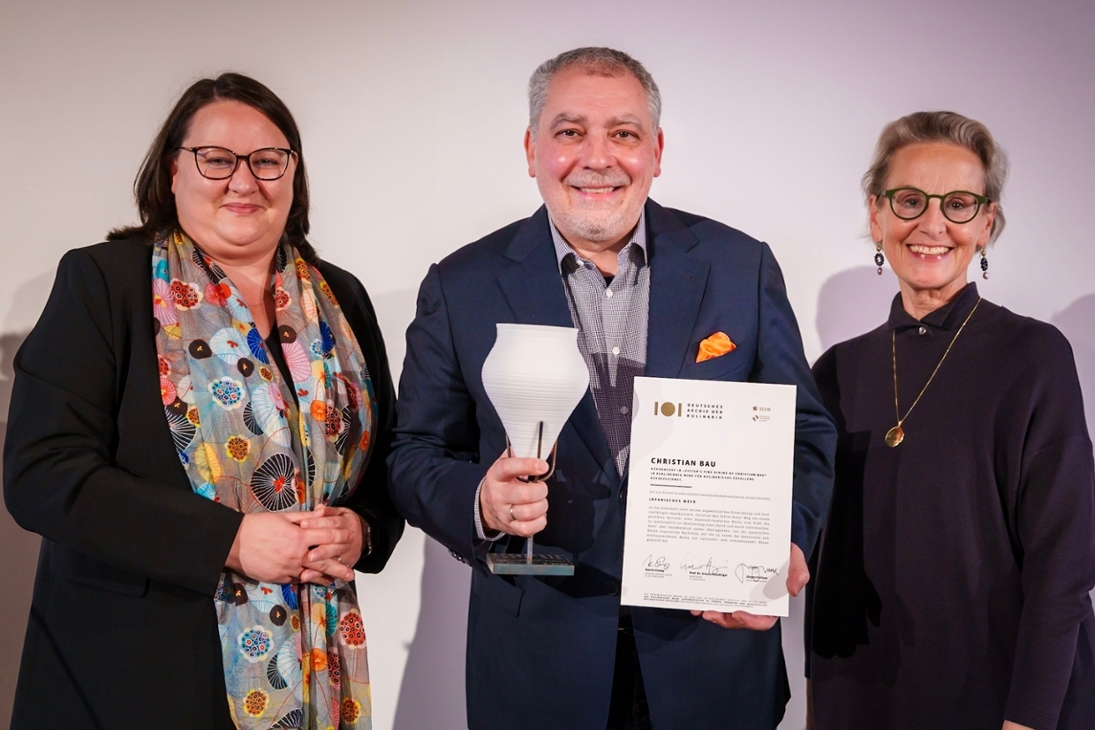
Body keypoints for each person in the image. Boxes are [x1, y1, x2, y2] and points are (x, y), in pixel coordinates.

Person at [388, 47, 836, 730]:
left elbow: (804, 433)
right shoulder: (461, 285)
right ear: (531, 148)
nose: (597, 157)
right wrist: (480, 499)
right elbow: (414, 453)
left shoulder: (738, 266)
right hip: (539, 670)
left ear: (655, 151)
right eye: (569, 132)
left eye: (622, 134)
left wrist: (791, 540)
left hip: (709, 662)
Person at [3, 73, 403, 729]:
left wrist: (362, 530)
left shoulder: (340, 298)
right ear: (171, 172)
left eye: (268, 160)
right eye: (216, 159)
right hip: (137, 669)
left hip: (314, 657)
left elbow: (388, 460)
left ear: (293, 174)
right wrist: (232, 540)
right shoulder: (106, 283)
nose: (244, 181)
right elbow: (42, 474)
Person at [806, 111, 1095, 729]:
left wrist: (1030, 717)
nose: (932, 224)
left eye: (959, 204)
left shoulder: (1034, 356)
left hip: (998, 696)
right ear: (876, 214)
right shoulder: (834, 370)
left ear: (987, 222)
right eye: (910, 200)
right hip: (859, 695)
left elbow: (1064, 564)